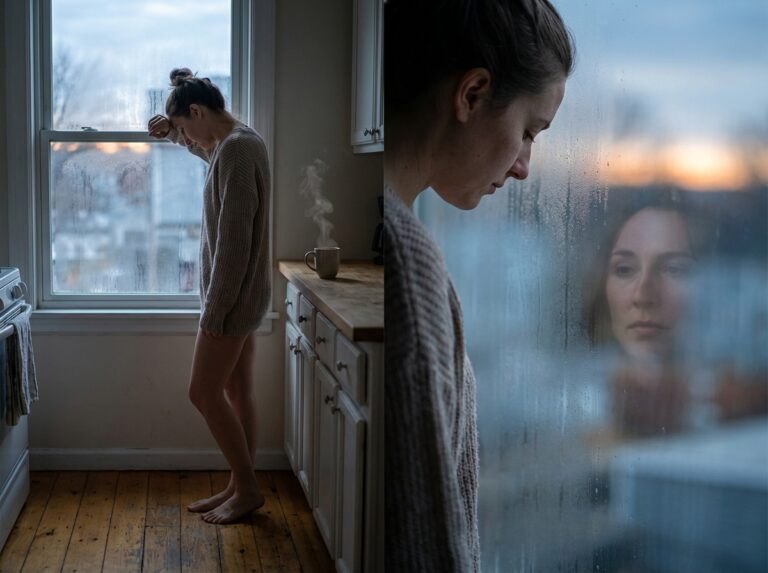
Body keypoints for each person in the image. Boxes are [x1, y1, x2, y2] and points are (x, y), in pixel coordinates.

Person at [384, 1, 574, 571]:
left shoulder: (398, 233)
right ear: (471, 94)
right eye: (528, 131)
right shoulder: (407, 260)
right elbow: (422, 545)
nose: (523, 167)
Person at [148, 68, 271, 524]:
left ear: (197, 112)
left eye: (184, 127)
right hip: (244, 296)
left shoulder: (237, 150)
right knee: (238, 391)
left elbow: (234, 244)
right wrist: (172, 135)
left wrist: (213, 314)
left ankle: (249, 488)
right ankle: (241, 485)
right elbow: (209, 153)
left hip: (231, 301)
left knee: (202, 392)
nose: (187, 139)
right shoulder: (237, 143)